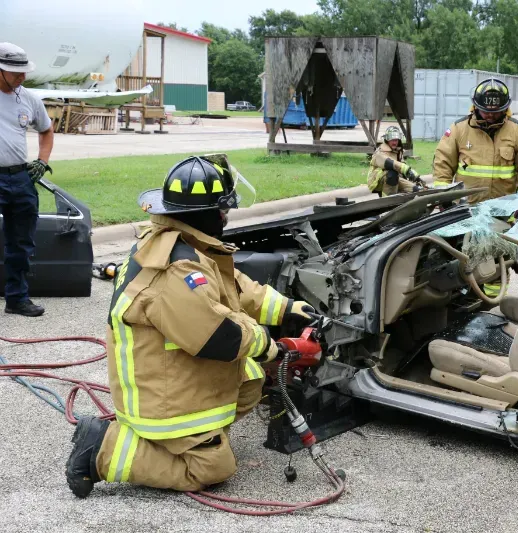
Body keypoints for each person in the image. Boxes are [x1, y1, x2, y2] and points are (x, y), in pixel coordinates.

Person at [65, 155, 316, 497]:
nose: (226, 216)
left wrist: (286, 309)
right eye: (222, 210)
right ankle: (102, 447)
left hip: (168, 375)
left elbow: (235, 286)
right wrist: (274, 347)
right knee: (215, 468)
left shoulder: (181, 243)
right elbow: (219, 337)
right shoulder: (177, 269)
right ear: (204, 214)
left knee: (250, 379)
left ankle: (197, 439)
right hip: (160, 399)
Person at [0, 42, 54, 317]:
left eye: (24, 72)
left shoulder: (29, 99)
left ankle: (17, 299)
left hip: (20, 178)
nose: (22, 77)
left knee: (21, 243)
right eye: (15, 72)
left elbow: (46, 130)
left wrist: (42, 161)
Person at [432, 78, 518, 204]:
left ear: (505, 109)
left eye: (496, 112)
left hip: (504, 209)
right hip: (465, 209)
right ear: (475, 107)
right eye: (486, 111)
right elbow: (443, 164)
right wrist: (444, 199)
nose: (491, 115)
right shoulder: (458, 129)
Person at [368, 126, 423, 196]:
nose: (395, 142)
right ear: (387, 140)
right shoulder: (380, 152)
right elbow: (390, 163)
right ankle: (387, 200)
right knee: (392, 173)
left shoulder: (397, 151)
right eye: (392, 140)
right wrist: (407, 170)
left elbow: (402, 170)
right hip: (377, 181)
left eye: (396, 140)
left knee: (415, 189)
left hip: (396, 178)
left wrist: (415, 178)